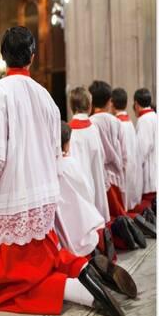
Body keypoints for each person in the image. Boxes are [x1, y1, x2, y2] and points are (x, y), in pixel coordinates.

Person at [0, 26, 125, 316]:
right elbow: (56, 156)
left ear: (3, 57)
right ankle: (82, 268)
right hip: (41, 204)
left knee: (3, 285)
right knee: (46, 258)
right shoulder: (48, 100)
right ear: (32, 57)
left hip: (10, 200)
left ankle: (79, 291)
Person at [55, 122, 137, 299]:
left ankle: (91, 273)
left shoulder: (48, 168)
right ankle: (105, 253)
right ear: (68, 143)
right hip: (83, 223)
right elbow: (87, 190)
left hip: (63, 234)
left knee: (68, 252)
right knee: (93, 227)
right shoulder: (71, 163)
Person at [88, 81, 147, 250]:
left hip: (100, 176)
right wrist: (123, 171)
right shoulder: (116, 122)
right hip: (117, 175)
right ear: (109, 101)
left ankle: (115, 241)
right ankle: (127, 236)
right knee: (118, 213)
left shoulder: (91, 122)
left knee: (105, 215)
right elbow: (124, 152)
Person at [68, 86, 110, 224]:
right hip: (93, 179)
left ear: (71, 106)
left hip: (75, 186)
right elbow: (101, 156)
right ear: (90, 106)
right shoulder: (93, 128)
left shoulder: (67, 131)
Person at [110, 87, 142, 211]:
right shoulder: (129, 122)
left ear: (112, 103)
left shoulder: (116, 124)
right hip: (132, 166)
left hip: (122, 167)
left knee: (124, 204)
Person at [133, 88, 157, 209]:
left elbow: (141, 151)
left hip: (150, 180)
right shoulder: (154, 116)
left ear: (136, 104)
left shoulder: (144, 120)